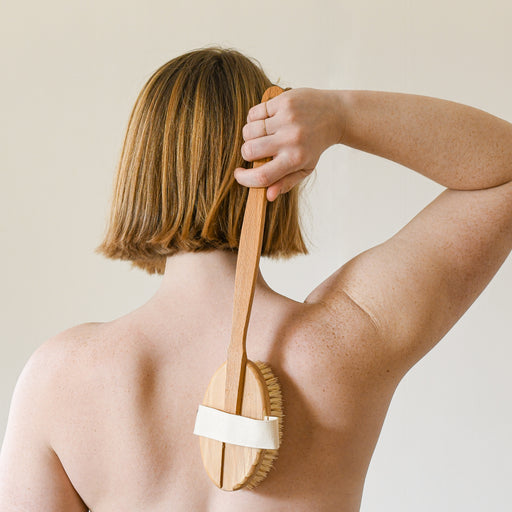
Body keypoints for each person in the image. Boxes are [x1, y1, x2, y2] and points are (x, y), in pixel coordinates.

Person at [0, 46, 511, 512]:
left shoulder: (57, 378)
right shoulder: (347, 338)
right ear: (283, 170)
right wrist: (341, 116)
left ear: (141, 174)